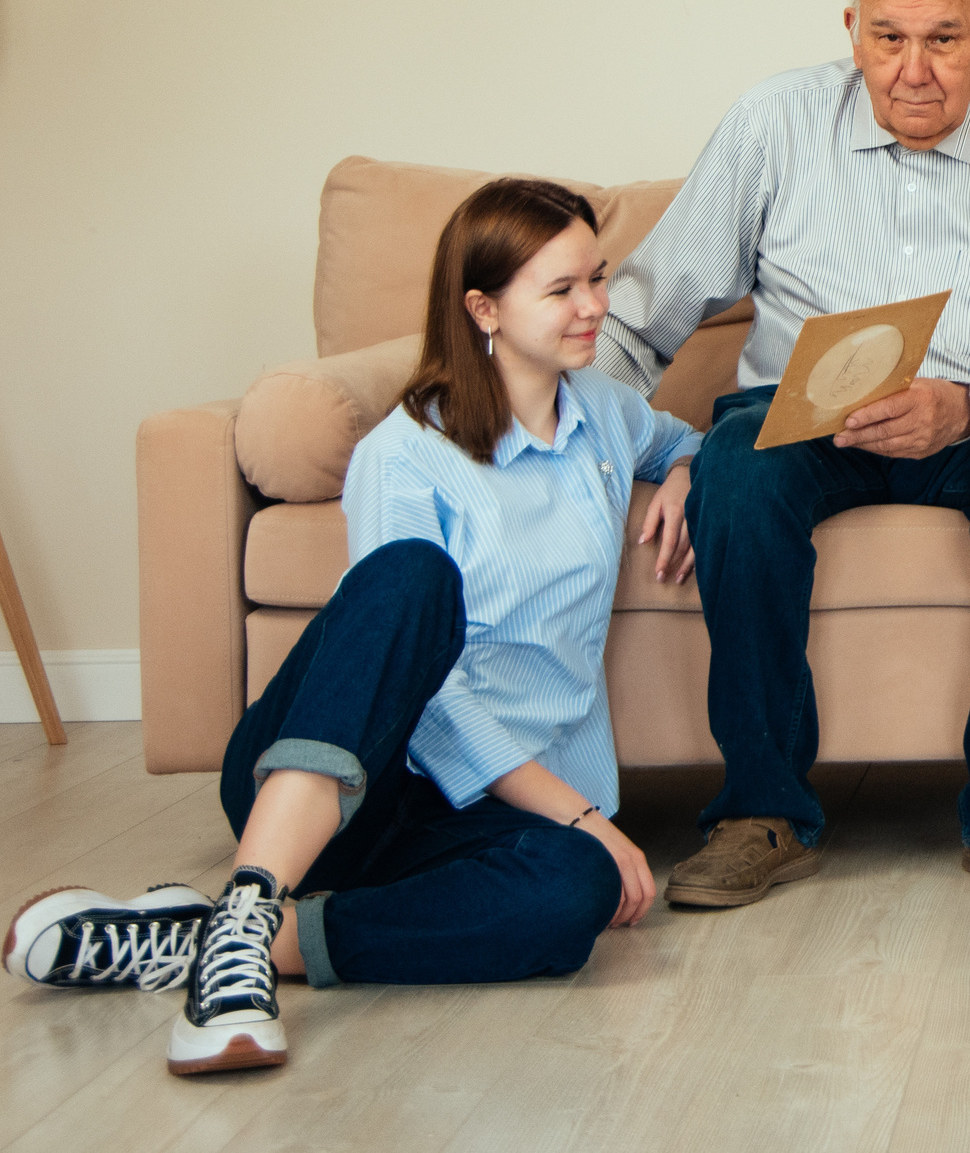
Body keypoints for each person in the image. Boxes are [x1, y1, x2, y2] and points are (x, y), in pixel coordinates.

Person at [7, 179, 695, 1071]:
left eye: (598, 279)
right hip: (350, 778)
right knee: (411, 578)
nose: (597, 307)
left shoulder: (602, 413)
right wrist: (577, 811)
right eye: (563, 290)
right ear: (483, 307)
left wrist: (684, 475)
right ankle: (253, 901)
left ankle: (233, 941)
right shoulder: (404, 454)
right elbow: (423, 692)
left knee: (578, 890)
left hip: (474, 817)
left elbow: (686, 442)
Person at [598, 0, 970, 904]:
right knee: (735, 472)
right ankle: (761, 810)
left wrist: (965, 406)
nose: (913, 71)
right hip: (803, 418)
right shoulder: (770, 123)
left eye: (945, 40)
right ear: (851, 32)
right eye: (887, 38)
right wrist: (606, 441)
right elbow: (642, 310)